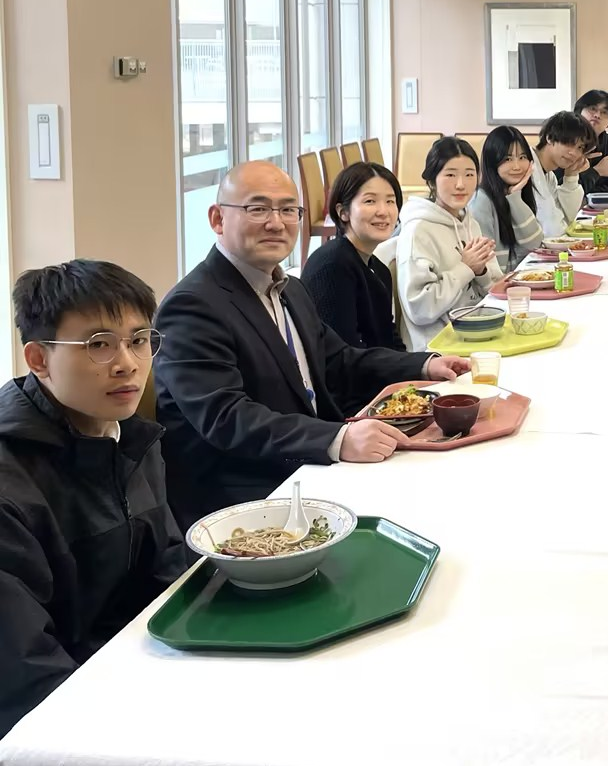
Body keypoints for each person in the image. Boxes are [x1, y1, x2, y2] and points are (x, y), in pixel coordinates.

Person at [154, 162, 467, 527]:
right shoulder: (192, 305)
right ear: (217, 219)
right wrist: (336, 439)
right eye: (258, 209)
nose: (276, 223)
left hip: (308, 468)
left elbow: (339, 360)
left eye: (289, 210)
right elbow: (227, 418)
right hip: (250, 497)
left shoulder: (289, 288)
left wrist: (425, 364)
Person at [0, 261, 189, 738]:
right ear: (38, 359)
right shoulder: (10, 484)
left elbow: (167, 573)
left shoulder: (130, 437)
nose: (128, 363)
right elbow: (26, 672)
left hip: (139, 675)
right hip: (64, 721)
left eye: (139, 340)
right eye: (99, 344)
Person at [397, 136, 503, 350]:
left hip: (477, 328)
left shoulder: (470, 223)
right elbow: (419, 309)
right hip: (440, 346)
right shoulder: (419, 231)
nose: (461, 184)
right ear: (431, 180)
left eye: (469, 174)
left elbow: (494, 287)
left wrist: (481, 272)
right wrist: (465, 268)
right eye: (450, 175)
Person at [301, 161, 408, 351]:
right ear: (343, 212)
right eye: (370, 201)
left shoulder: (378, 269)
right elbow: (342, 355)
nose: (383, 212)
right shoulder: (332, 266)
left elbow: (389, 340)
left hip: (375, 367)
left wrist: (422, 365)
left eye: (390, 201)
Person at [468, 126, 545, 271]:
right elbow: (486, 264)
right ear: (492, 162)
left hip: (517, 277)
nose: (517, 166)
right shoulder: (480, 201)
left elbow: (534, 244)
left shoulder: (515, 195)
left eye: (522, 157)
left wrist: (515, 198)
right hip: (497, 283)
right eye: (507, 159)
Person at [532, 111, 595, 236]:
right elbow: (551, 230)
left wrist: (571, 176)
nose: (574, 153)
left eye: (580, 147)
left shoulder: (549, 176)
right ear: (549, 138)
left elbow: (567, 218)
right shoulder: (527, 168)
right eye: (569, 143)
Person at [570, 90, 608, 196]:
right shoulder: (566, 140)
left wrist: (591, 194)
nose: (597, 115)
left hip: (600, 203)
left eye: (604, 112)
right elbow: (562, 187)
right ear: (579, 111)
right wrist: (596, 171)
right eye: (592, 109)